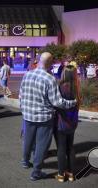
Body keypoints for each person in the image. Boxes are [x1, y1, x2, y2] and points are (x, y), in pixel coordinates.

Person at [19, 52, 77, 181]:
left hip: (28, 115)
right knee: (42, 145)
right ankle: (36, 172)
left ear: (39, 60)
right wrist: (72, 103)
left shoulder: (27, 74)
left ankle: (25, 161)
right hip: (43, 117)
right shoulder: (49, 79)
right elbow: (57, 102)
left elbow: (21, 95)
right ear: (50, 63)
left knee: (28, 139)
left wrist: (23, 109)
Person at [55, 64, 81, 182]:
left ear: (64, 74)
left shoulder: (60, 86)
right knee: (70, 147)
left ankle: (61, 174)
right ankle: (70, 173)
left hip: (61, 122)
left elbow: (57, 103)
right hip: (73, 121)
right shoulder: (77, 87)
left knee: (61, 148)